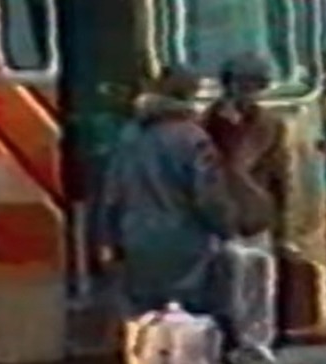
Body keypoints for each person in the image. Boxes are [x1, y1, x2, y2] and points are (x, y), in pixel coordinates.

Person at [93, 66, 234, 316]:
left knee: (146, 319)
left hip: (137, 243)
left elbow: (112, 194)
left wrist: (107, 239)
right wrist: (226, 228)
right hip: (187, 246)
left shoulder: (129, 136)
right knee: (192, 321)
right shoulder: (194, 139)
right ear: (189, 95)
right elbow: (208, 198)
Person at [201, 54, 291, 364]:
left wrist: (282, 222)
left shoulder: (270, 125)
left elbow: (281, 176)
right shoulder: (208, 124)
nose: (250, 93)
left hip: (256, 215)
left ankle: (257, 344)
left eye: (256, 86)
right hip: (221, 216)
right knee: (229, 285)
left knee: (260, 284)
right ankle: (230, 341)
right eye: (244, 85)